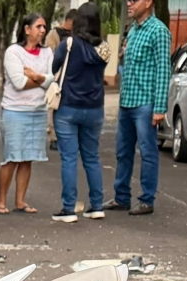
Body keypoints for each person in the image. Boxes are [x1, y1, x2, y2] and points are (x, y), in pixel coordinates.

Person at [105, 0, 171, 215]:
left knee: (148, 152)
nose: (129, 3)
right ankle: (121, 196)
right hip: (127, 102)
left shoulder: (158, 31)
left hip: (145, 103)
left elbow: (163, 71)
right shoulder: (133, 30)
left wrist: (159, 107)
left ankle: (146, 199)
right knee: (123, 152)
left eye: (134, 0)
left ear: (149, 2)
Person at [50, 2, 111, 222]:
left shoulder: (68, 44)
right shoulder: (104, 48)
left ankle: (68, 209)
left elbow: (54, 68)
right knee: (92, 158)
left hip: (68, 107)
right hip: (95, 108)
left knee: (69, 158)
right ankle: (96, 206)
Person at [0, 12, 53, 215]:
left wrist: (35, 75)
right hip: (15, 111)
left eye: (44, 27)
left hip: (37, 111)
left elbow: (52, 81)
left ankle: (20, 201)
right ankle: (1, 201)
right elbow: (18, 83)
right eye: (38, 26)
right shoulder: (14, 52)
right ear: (27, 30)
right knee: (11, 158)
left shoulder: (47, 53)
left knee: (27, 159)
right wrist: (42, 80)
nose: (42, 31)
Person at [45, 8, 76, 149]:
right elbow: (49, 54)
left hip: (74, 77)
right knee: (55, 105)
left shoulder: (77, 35)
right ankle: (54, 137)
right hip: (59, 75)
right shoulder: (54, 34)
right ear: (70, 21)